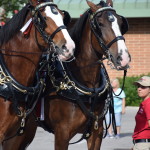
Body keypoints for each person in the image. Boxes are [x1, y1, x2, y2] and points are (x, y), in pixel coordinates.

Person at [132, 76, 150, 150]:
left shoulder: (148, 104)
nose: (139, 89)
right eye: (138, 86)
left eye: (143, 87)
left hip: (144, 144)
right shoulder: (144, 103)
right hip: (141, 143)